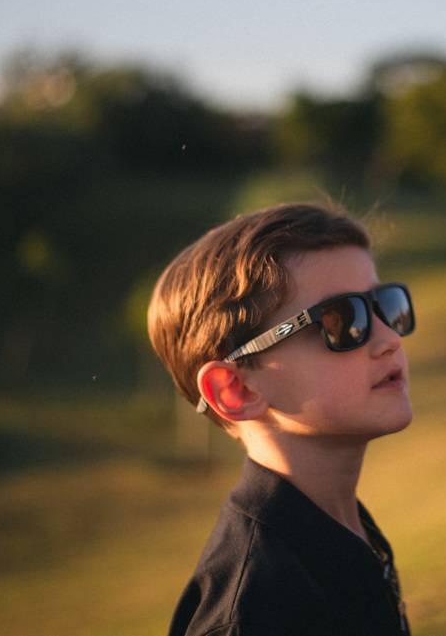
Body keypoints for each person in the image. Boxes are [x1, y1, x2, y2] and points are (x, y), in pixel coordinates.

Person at [148, 202, 415, 636]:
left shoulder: (339, 531)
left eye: (386, 305)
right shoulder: (254, 613)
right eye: (342, 320)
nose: (389, 338)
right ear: (236, 390)